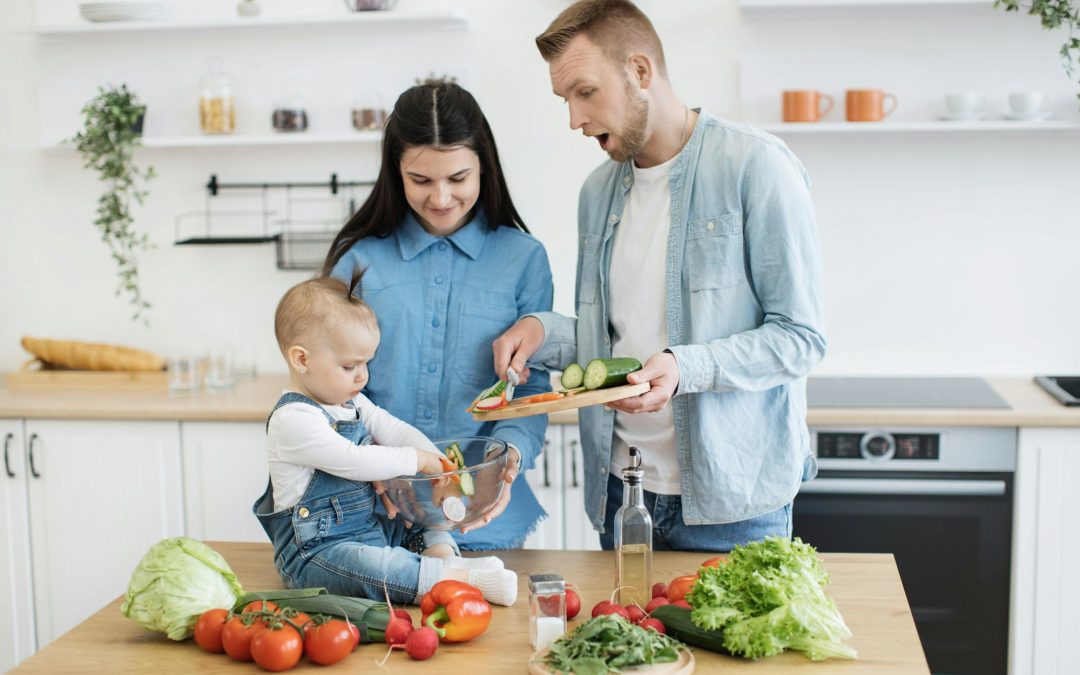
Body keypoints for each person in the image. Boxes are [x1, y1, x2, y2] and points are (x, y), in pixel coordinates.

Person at [493, 0, 826, 552]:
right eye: (566, 100)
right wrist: (543, 332)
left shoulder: (757, 166)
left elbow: (800, 338)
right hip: (624, 495)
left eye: (585, 92)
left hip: (734, 505)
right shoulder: (596, 194)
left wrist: (683, 367)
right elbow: (620, 342)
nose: (574, 120)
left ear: (640, 72)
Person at [322, 81, 554, 551]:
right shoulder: (358, 261)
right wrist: (366, 458)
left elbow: (530, 389)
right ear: (396, 173)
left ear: (484, 167)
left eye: (459, 178)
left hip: (484, 520)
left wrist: (508, 456)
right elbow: (327, 392)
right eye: (422, 180)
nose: (442, 198)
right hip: (372, 518)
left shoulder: (524, 258)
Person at [253, 274, 518, 606]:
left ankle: (445, 563)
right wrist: (416, 461)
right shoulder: (293, 420)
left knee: (422, 522)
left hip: (369, 531)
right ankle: (463, 580)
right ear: (302, 359)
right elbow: (353, 460)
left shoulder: (351, 402)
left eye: (366, 363)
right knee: (375, 568)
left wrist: (439, 466)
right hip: (317, 553)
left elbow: (394, 429)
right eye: (350, 365)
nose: (363, 376)